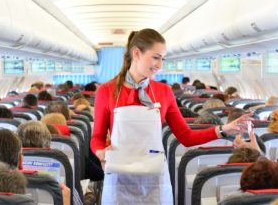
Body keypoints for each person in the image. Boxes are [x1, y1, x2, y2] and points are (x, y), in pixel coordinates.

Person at [90, 28, 248, 204]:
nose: (160, 65)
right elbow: (96, 137)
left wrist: (224, 129)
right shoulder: (107, 91)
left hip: (155, 180)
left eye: (162, 59)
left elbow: (186, 137)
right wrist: (101, 153)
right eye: (156, 57)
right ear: (137, 53)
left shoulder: (164, 91)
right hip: (119, 178)